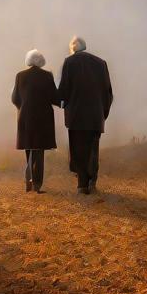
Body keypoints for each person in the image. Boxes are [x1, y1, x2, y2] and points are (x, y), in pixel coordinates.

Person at [57, 36, 112, 194]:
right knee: (93, 147)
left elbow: (64, 89)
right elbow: (108, 92)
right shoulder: (101, 63)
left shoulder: (69, 62)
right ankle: (92, 179)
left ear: (73, 48)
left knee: (78, 148)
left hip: (76, 115)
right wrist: (103, 112)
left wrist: (60, 101)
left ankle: (82, 184)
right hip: (96, 114)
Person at [11, 49, 59, 193]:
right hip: (43, 119)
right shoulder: (47, 76)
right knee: (39, 152)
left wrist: (23, 107)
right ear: (41, 61)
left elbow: (14, 98)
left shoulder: (20, 75)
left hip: (25, 117)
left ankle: (28, 179)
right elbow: (54, 98)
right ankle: (37, 184)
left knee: (29, 148)